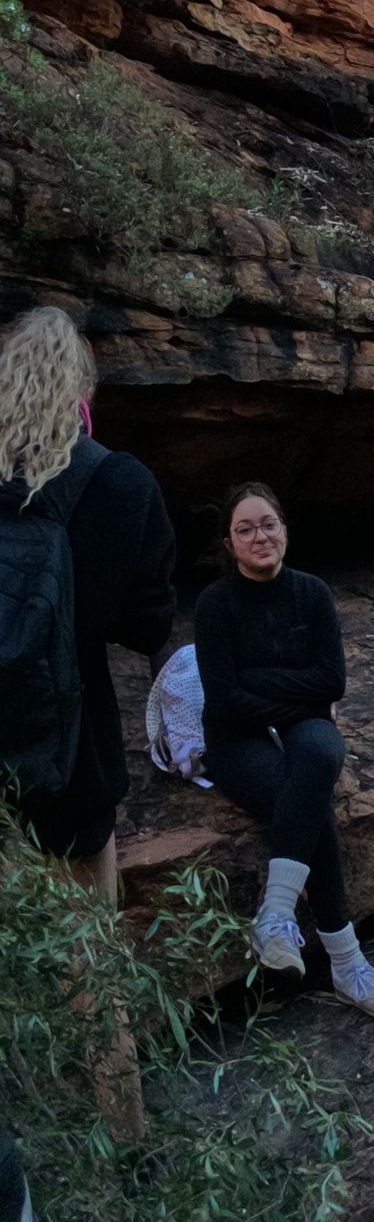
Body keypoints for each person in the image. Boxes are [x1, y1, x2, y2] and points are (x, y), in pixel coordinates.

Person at [194, 484, 374, 1016]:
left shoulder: (311, 593)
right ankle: (348, 964)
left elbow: (332, 682)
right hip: (234, 736)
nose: (259, 536)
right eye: (245, 529)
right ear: (229, 542)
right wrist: (296, 691)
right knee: (306, 804)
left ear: (285, 529)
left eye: (268, 524)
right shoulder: (214, 604)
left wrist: (257, 680)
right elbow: (225, 700)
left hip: (301, 723)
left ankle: (276, 913)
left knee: (318, 756)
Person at [0, 309, 177, 903]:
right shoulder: (119, 482)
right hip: (71, 757)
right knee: (85, 940)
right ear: (83, 389)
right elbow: (148, 624)